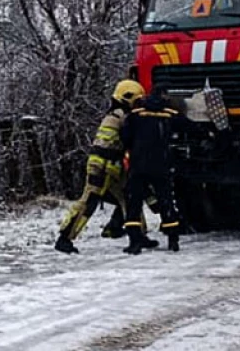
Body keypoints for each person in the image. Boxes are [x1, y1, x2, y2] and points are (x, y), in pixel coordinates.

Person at [54, 79, 142, 254]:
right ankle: (64, 238)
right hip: (103, 166)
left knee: (129, 198)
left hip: (109, 165)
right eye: (137, 101)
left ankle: (137, 236)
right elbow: (122, 141)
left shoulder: (115, 114)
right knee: (89, 201)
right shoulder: (122, 116)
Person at [120, 88, 183, 253]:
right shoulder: (170, 115)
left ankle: (135, 242)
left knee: (134, 203)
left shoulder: (135, 115)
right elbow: (188, 129)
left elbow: (125, 137)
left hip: (138, 166)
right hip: (161, 166)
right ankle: (173, 240)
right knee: (166, 201)